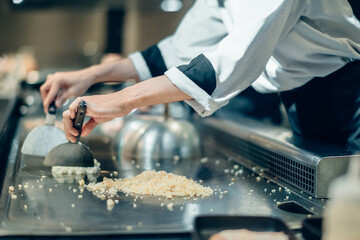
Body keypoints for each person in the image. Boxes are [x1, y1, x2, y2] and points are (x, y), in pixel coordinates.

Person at [40, 0, 360, 150]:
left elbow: (226, 64)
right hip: (302, 99)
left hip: (349, 95)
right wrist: (91, 75)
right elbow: (176, 51)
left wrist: (123, 100)